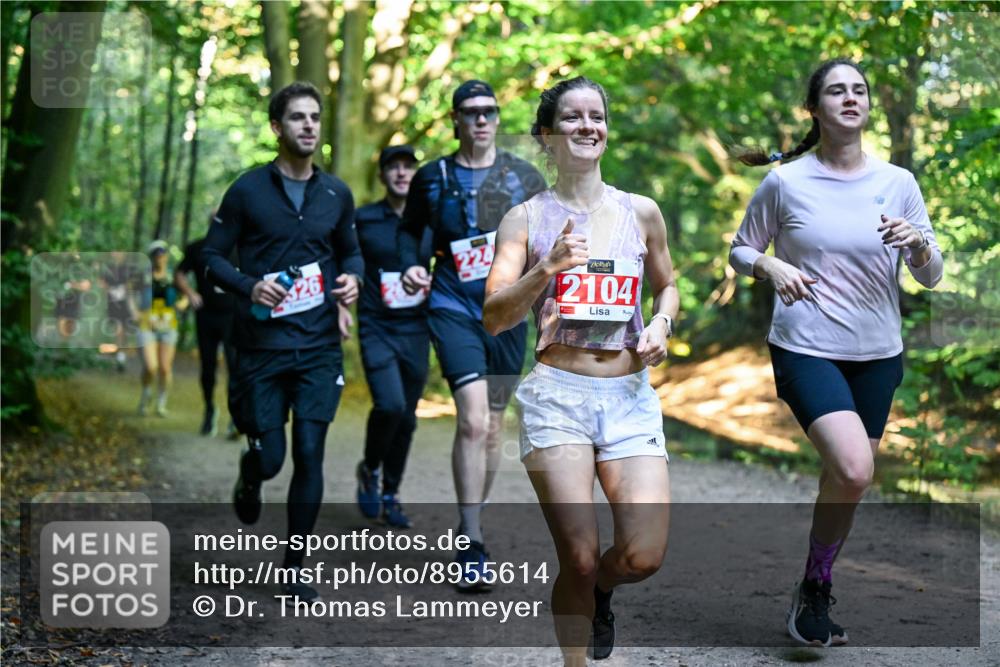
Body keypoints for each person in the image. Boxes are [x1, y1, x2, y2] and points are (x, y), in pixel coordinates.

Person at [728, 58, 944, 647]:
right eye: (837, 91)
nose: (851, 98)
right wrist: (770, 265)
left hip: (878, 352)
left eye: (859, 90)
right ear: (814, 109)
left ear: (868, 105)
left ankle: (814, 584)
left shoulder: (898, 182)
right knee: (854, 469)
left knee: (844, 479)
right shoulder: (786, 182)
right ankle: (817, 584)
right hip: (806, 345)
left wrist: (918, 244)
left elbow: (931, 276)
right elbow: (740, 250)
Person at [483, 76, 678, 665]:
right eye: (572, 117)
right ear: (547, 134)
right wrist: (545, 268)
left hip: (628, 396)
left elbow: (667, 287)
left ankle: (600, 594)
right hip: (558, 398)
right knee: (580, 556)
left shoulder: (640, 212)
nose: (588, 126)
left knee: (642, 556)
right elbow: (494, 318)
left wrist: (662, 323)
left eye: (597, 116)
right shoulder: (523, 219)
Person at [202, 81, 362, 603]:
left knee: (310, 453)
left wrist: (353, 280)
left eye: (314, 116)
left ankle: (294, 568)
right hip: (260, 345)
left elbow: (351, 253)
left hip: (318, 345)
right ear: (277, 127)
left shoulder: (336, 194)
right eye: (297, 117)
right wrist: (249, 285)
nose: (309, 125)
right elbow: (211, 258)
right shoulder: (247, 190)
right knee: (271, 458)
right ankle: (251, 475)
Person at [398, 80, 546, 589]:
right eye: (471, 112)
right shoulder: (432, 177)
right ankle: (473, 540)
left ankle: (470, 519)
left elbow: (544, 238)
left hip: (507, 311)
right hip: (451, 304)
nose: (481, 119)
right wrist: (412, 265)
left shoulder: (524, 176)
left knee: (494, 427)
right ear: (455, 119)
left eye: (489, 111)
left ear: (498, 118)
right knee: (473, 421)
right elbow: (409, 234)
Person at [350, 145, 432, 529]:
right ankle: (369, 468)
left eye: (408, 167)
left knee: (408, 419)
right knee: (390, 405)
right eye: (393, 167)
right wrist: (340, 305)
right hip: (377, 326)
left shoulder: (430, 221)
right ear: (382, 175)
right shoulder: (363, 219)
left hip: (417, 328)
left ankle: (391, 494)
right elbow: (344, 261)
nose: (401, 173)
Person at [176, 215, 238, 437]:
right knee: (208, 366)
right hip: (206, 316)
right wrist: (190, 293)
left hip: (232, 316)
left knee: (235, 365)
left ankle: (235, 416)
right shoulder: (198, 248)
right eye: (215, 221)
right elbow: (179, 274)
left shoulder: (240, 247)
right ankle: (210, 409)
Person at [137, 240, 184, 416]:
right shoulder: (143, 277)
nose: (160, 258)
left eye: (162, 254)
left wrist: (183, 303)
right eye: (156, 255)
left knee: (165, 368)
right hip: (147, 324)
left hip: (168, 325)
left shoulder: (174, 277)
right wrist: (134, 312)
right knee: (151, 366)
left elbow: (186, 294)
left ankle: (161, 402)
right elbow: (128, 294)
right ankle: (146, 393)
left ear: (166, 257)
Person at [100, 251, 134, 370]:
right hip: (113, 304)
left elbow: (131, 284)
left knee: (124, 331)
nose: (116, 254)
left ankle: (121, 355)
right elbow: (102, 283)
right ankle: (119, 356)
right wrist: (111, 290)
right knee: (118, 329)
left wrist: (124, 289)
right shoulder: (108, 269)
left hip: (126, 304)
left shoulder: (127, 268)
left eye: (119, 252)